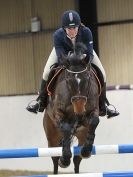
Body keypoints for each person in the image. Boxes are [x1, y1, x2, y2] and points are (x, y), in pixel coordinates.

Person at [26, 10, 119, 118]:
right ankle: (40, 102)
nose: (72, 31)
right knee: (47, 72)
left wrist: (83, 59)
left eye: (74, 27)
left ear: (78, 26)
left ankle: (103, 105)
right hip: (64, 54)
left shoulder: (86, 32)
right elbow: (61, 57)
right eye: (69, 28)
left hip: (82, 53)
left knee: (102, 72)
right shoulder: (58, 35)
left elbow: (89, 53)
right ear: (64, 28)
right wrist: (71, 59)